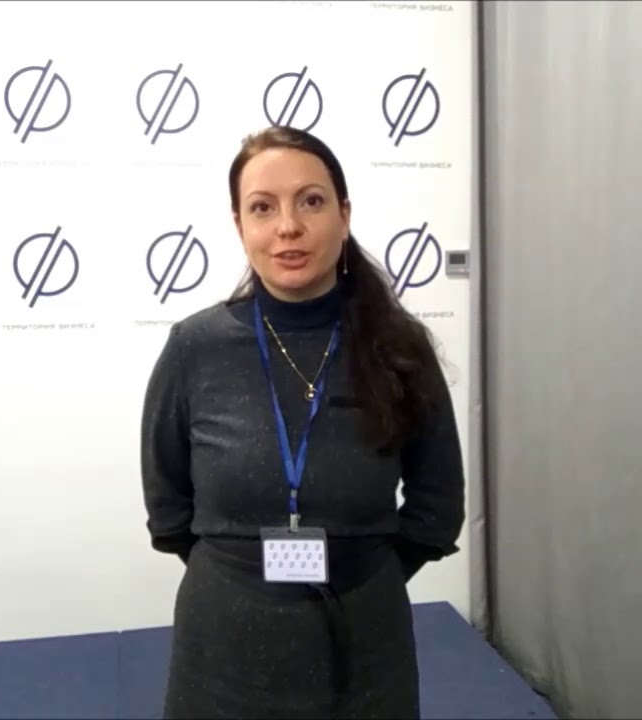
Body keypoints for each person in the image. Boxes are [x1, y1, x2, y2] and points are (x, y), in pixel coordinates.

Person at [140, 125, 466, 719]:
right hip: (223, 639)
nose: (288, 226)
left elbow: (437, 506)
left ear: (344, 215)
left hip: (365, 638)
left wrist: (364, 574)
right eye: (262, 207)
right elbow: (168, 508)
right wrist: (245, 576)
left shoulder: (399, 347)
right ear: (240, 225)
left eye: (311, 201)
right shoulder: (195, 348)